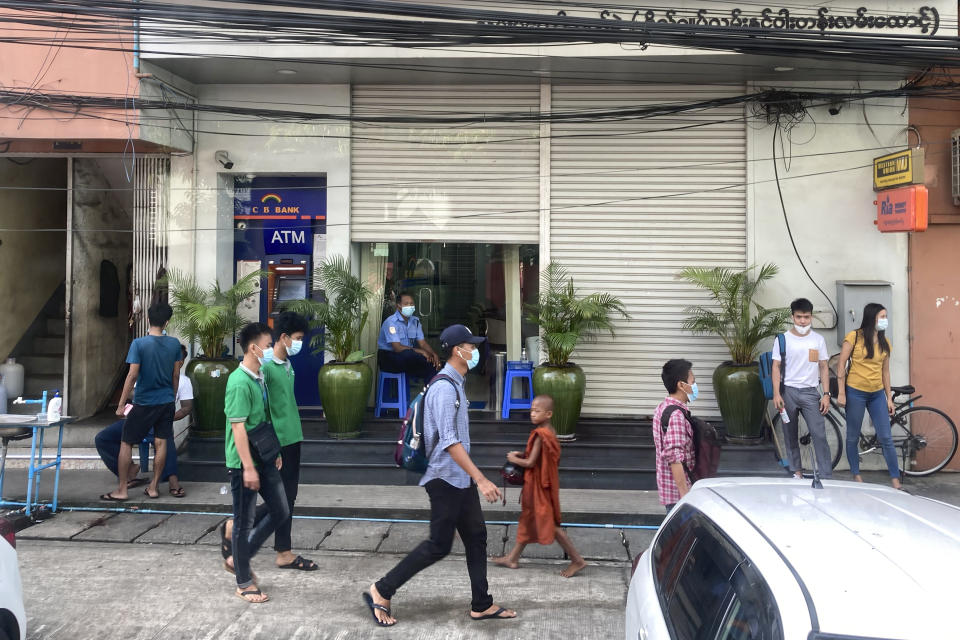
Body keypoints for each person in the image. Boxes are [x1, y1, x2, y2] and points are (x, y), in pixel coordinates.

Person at [364, 324, 517, 627]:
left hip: (457, 477)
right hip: (444, 477)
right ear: (456, 350)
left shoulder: (456, 383)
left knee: (476, 536)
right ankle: (381, 590)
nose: (475, 351)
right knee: (439, 544)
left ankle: (481, 603)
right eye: (470, 346)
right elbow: (449, 441)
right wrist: (481, 479)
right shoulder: (445, 388)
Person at [221, 312, 317, 571]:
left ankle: (281, 550)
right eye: (296, 338)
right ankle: (265, 549)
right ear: (283, 338)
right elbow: (256, 413)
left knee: (289, 498)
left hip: (293, 436)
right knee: (282, 500)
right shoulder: (264, 368)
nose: (300, 343)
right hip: (277, 441)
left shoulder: (286, 365)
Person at [221, 322, 290, 604]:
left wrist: (274, 452)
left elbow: (262, 420)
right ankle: (243, 581)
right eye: (268, 343)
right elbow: (238, 428)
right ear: (253, 348)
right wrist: (247, 467)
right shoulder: (238, 382)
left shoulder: (258, 376)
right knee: (243, 522)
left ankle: (240, 557)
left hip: (263, 455)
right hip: (243, 462)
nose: (271, 348)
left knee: (281, 510)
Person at [492, 395, 586, 578]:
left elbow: (530, 462)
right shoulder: (549, 431)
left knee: (550, 524)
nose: (533, 414)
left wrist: (513, 458)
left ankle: (577, 560)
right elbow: (539, 456)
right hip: (543, 484)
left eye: (537, 411)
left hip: (538, 486)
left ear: (549, 413)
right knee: (528, 520)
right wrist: (522, 453)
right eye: (532, 410)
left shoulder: (541, 435)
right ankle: (512, 558)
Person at [100, 302, 182, 502]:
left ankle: (122, 489)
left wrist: (120, 404)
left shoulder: (139, 344)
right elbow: (176, 374)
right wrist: (171, 395)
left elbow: (132, 375)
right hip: (166, 401)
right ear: (167, 322)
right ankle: (153, 487)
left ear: (147, 319)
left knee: (126, 442)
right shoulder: (174, 344)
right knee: (161, 443)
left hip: (144, 401)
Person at [95, 343, 193, 497]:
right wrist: (128, 406)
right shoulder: (148, 374)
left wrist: (166, 418)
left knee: (166, 440)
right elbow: (132, 394)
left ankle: (173, 479)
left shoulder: (183, 381)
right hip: (138, 420)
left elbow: (187, 408)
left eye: (177, 360)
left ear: (180, 362)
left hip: (159, 422)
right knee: (103, 438)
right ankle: (130, 471)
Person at [837, 303, 901, 489]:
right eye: (882, 316)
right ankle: (856, 476)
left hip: (877, 394)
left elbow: (885, 372)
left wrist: (889, 398)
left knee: (886, 437)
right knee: (852, 436)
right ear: (872, 317)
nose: (884, 320)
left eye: (885, 316)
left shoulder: (885, 342)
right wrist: (841, 392)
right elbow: (841, 365)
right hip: (855, 392)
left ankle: (895, 480)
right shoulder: (854, 337)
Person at [771, 298, 833, 479]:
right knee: (790, 435)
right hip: (787, 391)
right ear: (792, 317)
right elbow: (776, 366)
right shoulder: (782, 339)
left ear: (811, 317)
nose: (803, 321)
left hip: (810, 392)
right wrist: (776, 393)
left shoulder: (818, 340)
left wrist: (826, 395)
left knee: (819, 434)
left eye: (806, 317)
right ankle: (796, 472)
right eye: (799, 317)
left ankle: (826, 474)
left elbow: (823, 366)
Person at [653, 359, 697, 512]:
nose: (695, 386)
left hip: (671, 492)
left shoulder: (662, 408)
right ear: (681, 385)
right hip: (680, 497)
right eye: (693, 381)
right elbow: (675, 459)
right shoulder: (676, 415)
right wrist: (686, 498)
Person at [377, 292, 441, 383]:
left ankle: (430, 393)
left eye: (412, 304)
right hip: (388, 358)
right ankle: (420, 378)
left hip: (407, 357)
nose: (410, 306)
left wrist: (433, 354)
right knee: (411, 355)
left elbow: (422, 343)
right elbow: (397, 348)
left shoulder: (415, 321)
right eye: (406, 304)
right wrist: (422, 352)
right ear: (398, 306)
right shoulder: (391, 322)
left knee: (431, 363)